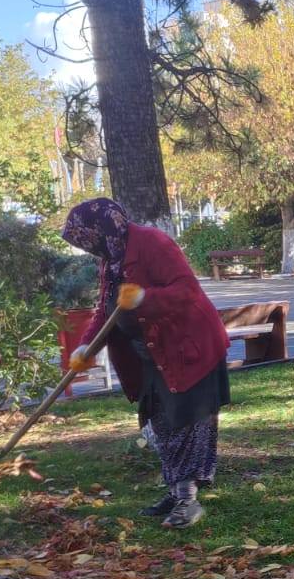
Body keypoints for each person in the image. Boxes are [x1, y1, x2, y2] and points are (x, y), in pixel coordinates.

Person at [62, 197, 231, 529]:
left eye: (86, 239)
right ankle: (176, 489)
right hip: (153, 357)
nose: (87, 248)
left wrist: (143, 299)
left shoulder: (153, 243)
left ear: (103, 228)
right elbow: (104, 310)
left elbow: (188, 291)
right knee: (159, 422)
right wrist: (85, 347)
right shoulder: (111, 259)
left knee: (187, 422)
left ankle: (188, 501)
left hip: (187, 349)